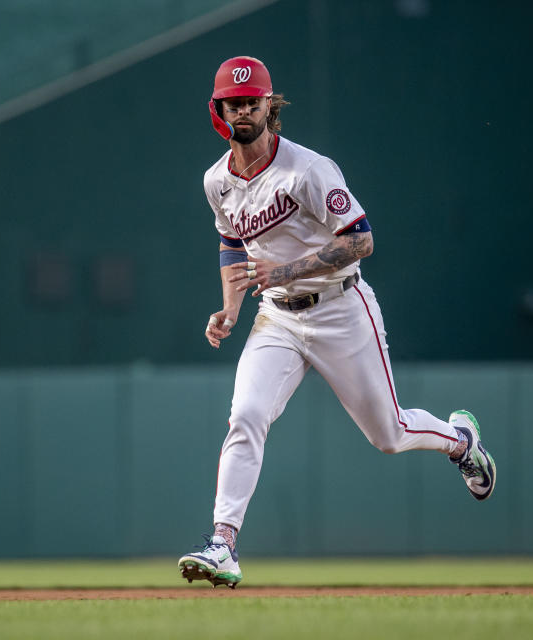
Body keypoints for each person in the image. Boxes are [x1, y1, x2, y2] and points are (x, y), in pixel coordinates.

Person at [178, 56, 496, 588]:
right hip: (276, 319)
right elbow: (232, 241)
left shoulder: (307, 169)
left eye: (253, 101)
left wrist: (286, 269)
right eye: (234, 103)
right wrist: (230, 308)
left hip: (341, 307)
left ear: (268, 105)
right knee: (246, 416)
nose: (244, 111)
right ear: (220, 110)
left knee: (389, 434)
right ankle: (224, 543)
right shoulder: (217, 181)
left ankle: (461, 441)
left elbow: (361, 240)